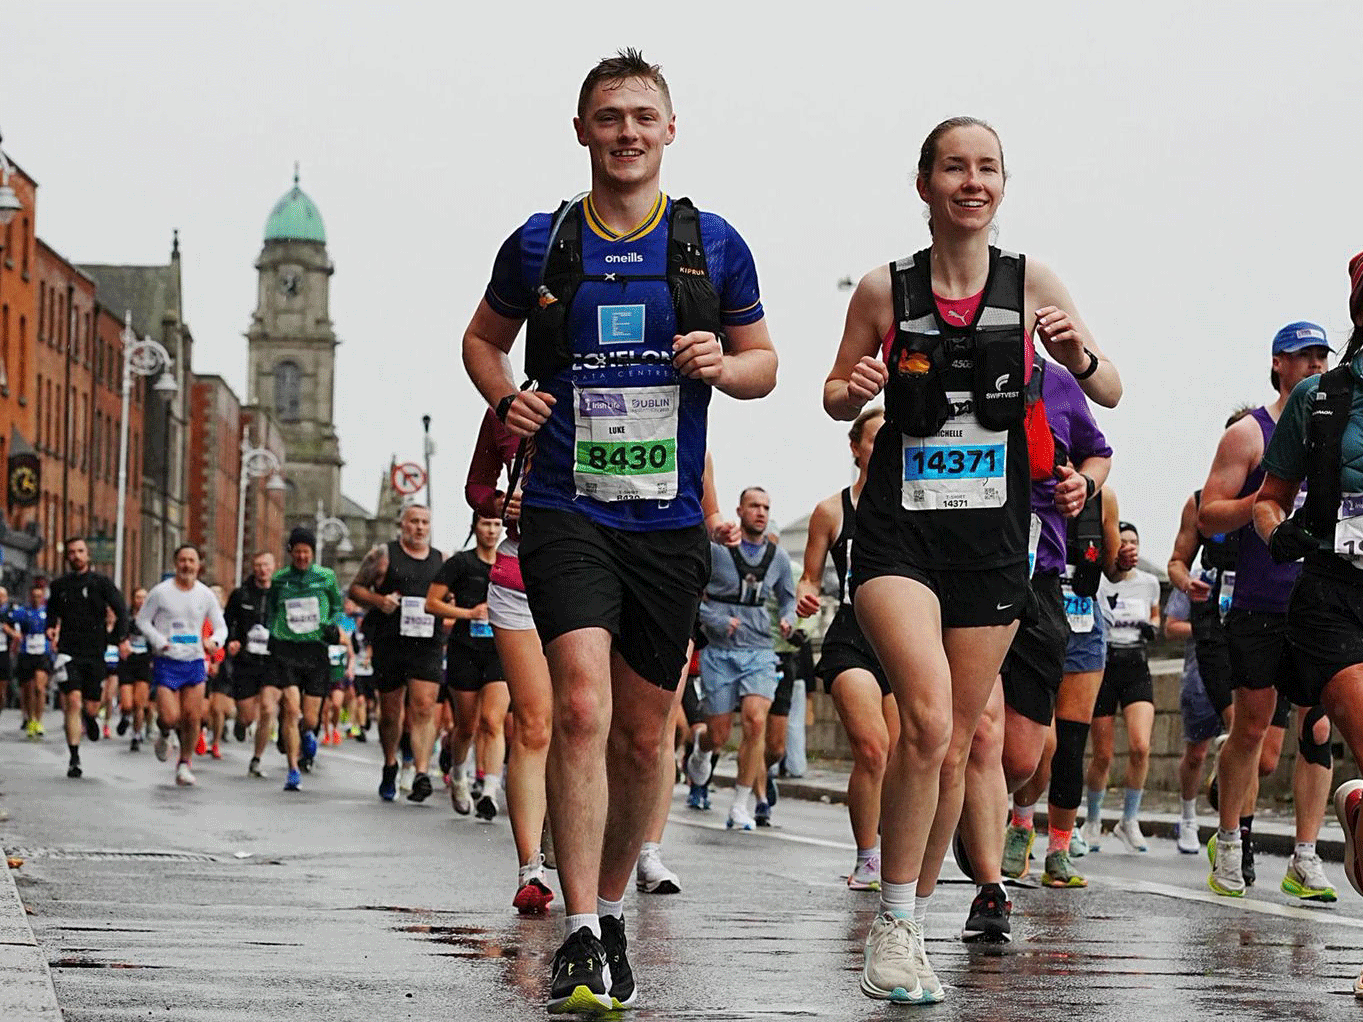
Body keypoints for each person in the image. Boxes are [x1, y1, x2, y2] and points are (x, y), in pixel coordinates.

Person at [462, 49, 776, 1013]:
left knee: (643, 738)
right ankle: (581, 934)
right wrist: (507, 395)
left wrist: (722, 365)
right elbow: (480, 339)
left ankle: (610, 905)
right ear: (581, 130)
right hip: (566, 511)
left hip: (669, 524)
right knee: (583, 709)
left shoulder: (711, 244)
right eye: (608, 116)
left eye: (643, 116)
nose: (626, 132)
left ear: (669, 130)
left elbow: (765, 364)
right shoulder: (541, 242)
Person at [822, 115, 1120, 1005]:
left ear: (1001, 184)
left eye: (986, 168)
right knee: (925, 714)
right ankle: (894, 924)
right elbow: (835, 394)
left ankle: (911, 911)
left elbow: (1107, 387)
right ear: (924, 185)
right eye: (954, 167)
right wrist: (857, 389)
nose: (971, 182)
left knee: (950, 743)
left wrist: (1077, 354)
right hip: (897, 538)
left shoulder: (1032, 284)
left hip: (991, 544)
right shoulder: (885, 288)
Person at [959, 349, 1112, 920]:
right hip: (967, 581)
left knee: (1022, 758)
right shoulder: (953, 368)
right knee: (983, 735)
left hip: (1039, 582)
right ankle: (990, 888)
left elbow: (1099, 454)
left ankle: (974, 815)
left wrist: (1083, 488)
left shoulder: (1060, 385)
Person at [1255, 252, 1363, 993]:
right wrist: (1277, 533)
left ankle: (1355, 819)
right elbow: (1269, 498)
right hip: (1335, 599)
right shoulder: (1321, 399)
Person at [1198, 322, 1335, 900]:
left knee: (1318, 728)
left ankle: (1305, 855)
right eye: (1302, 357)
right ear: (1277, 364)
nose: (1314, 366)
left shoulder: (1336, 431)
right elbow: (1209, 513)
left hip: (1322, 601)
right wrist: (1269, 497)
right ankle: (1228, 838)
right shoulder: (1250, 434)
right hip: (1260, 600)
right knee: (1251, 729)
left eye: (1321, 357)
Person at [798, 407, 898, 890]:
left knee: (904, 755)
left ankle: (899, 852)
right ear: (856, 447)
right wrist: (804, 593)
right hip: (852, 639)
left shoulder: (916, 503)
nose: (882, 449)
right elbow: (809, 578)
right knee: (874, 749)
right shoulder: (832, 511)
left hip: (901, 644)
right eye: (875, 440)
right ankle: (868, 858)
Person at [689, 487, 796, 831]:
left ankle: (740, 805)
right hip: (720, 651)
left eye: (766, 506)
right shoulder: (716, 551)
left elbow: (788, 599)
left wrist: (789, 619)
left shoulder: (777, 557)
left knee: (755, 722)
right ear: (739, 510)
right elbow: (690, 593)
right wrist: (717, 619)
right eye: (754, 506)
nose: (761, 512)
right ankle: (701, 749)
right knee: (718, 735)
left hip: (760, 650)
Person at [349, 504, 445, 803]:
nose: (419, 527)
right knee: (390, 712)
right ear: (402, 525)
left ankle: (420, 772)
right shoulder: (383, 555)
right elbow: (355, 590)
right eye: (413, 521)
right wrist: (379, 600)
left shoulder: (441, 560)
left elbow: (449, 595)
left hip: (426, 642)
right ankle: (391, 763)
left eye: (424, 522)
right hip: (391, 640)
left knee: (425, 707)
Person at [426, 510, 507, 821]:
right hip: (465, 648)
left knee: (493, 720)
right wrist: (468, 614)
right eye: (485, 523)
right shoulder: (461, 563)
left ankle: (489, 788)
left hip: (499, 650)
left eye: (497, 524)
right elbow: (431, 603)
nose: (491, 529)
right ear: (475, 526)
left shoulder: (509, 562)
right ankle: (459, 776)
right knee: (467, 727)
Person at [1085, 522, 1161, 853]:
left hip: (1135, 663)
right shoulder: (1101, 581)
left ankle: (1128, 820)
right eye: (1123, 541)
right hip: (1105, 662)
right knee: (1102, 754)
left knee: (1141, 746)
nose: (1128, 546)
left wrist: (1151, 627)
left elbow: (1156, 616)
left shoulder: (1149, 583)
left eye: (1134, 541)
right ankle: (1092, 820)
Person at [138, 545, 228, 786]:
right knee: (169, 717)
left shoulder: (205, 595)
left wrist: (214, 642)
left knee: (192, 717)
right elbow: (143, 620)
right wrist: (158, 640)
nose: (187, 565)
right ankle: (164, 733)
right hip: (167, 661)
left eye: (192, 561)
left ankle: (184, 764)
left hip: (195, 660)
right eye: (182, 560)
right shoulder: (160, 592)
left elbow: (221, 626)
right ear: (175, 564)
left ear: (199, 565)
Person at [265, 527, 346, 792]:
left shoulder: (326, 577)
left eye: (306, 552)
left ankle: (306, 733)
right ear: (291, 552)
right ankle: (292, 769)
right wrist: (274, 632)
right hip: (287, 649)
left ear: (312, 553)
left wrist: (331, 624)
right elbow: (271, 609)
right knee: (291, 709)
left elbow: (337, 608)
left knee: (310, 718)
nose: (301, 556)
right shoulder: (280, 579)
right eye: (297, 551)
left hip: (315, 649)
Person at [47, 537, 129, 780]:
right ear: (67, 557)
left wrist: (117, 636)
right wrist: (51, 627)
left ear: (88, 554)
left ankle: (91, 716)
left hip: (95, 651)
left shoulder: (101, 583)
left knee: (91, 703)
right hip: (68, 650)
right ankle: (74, 757)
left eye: (80, 551)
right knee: (72, 700)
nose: (76, 556)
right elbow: (52, 612)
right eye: (71, 552)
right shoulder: (60, 585)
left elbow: (120, 609)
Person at [1164, 578, 1220, 853]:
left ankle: (1234, 828)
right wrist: (1206, 628)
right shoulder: (1197, 577)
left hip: (1242, 672)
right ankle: (1188, 818)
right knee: (1197, 754)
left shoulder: (1255, 571)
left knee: (1249, 751)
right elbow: (1171, 626)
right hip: (1200, 676)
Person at [225, 552, 278, 778]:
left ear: (273, 567)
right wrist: (232, 641)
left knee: (267, 708)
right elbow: (227, 622)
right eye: (257, 565)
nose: (262, 569)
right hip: (246, 661)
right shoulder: (241, 594)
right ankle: (241, 721)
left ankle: (257, 759)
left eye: (266, 565)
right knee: (248, 716)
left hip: (271, 661)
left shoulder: (280, 595)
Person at [11, 579, 51, 739]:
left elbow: (57, 624)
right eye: (33, 596)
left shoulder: (47, 612)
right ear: (29, 597)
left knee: (40, 688)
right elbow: (7, 622)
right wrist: (14, 634)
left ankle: (39, 721)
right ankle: (30, 719)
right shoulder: (22, 611)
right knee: (27, 690)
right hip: (26, 652)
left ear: (42, 597)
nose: (36, 599)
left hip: (42, 652)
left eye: (38, 596)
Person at [116, 588, 153, 752]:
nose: (141, 601)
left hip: (144, 661)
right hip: (127, 661)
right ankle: (125, 716)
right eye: (138, 597)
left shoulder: (153, 619)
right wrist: (122, 643)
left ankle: (136, 735)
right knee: (127, 703)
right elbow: (117, 634)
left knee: (139, 703)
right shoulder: (126, 617)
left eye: (144, 598)